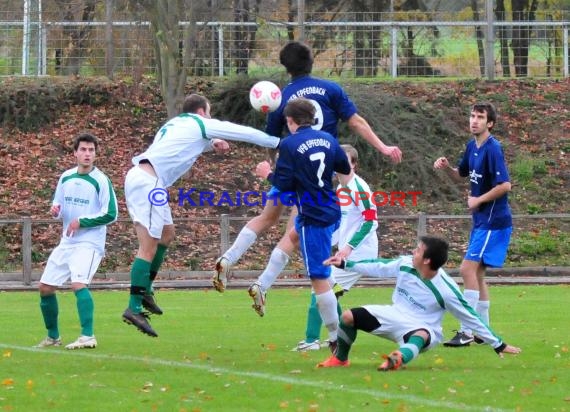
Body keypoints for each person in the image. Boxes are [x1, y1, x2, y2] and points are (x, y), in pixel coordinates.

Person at [213, 40, 401, 293]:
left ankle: (229, 258)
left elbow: (271, 141)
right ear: (311, 62)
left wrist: (273, 168)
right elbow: (356, 122)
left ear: (285, 66)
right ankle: (264, 285)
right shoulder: (331, 89)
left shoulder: (282, 97)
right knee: (294, 233)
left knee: (267, 217)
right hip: (316, 175)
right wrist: (384, 147)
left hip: (288, 164)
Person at [122, 93, 281, 337]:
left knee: (167, 234)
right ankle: (133, 307)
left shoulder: (173, 124)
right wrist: (277, 142)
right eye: (209, 113)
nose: (210, 118)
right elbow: (240, 131)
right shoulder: (200, 123)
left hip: (149, 181)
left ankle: (146, 289)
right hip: (147, 182)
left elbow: (179, 147)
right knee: (148, 247)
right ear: (201, 112)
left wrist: (210, 144)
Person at [317, 235, 522, 370]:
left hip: (424, 327)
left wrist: (498, 344)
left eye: (418, 250)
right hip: (395, 314)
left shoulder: (446, 290)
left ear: (426, 260)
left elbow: (470, 316)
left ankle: (397, 359)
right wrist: (346, 263)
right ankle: (340, 359)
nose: (413, 252)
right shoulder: (406, 264)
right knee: (348, 317)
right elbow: (379, 266)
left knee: (420, 335)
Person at [248, 144, 379, 353]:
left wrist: (348, 249)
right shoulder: (340, 188)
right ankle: (337, 337)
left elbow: (371, 222)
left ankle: (312, 340)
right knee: (330, 289)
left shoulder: (359, 188)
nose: (342, 165)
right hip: (346, 251)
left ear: (355, 164)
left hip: (360, 253)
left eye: (347, 161)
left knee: (320, 287)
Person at [256, 98, 351, 350]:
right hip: (332, 209)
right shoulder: (329, 138)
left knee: (318, 277)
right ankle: (262, 284)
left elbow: (284, 184)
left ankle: (335, 338)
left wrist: (267, 174)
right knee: (297, 243)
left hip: (313, 215)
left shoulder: (289, 144)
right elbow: (342, 166)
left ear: (290, 121)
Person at [433, 102, 512, 347]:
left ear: (490, 124)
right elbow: (462, 174)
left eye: (480, 117)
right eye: (472, 116)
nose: (474, 120)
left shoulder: (492, 149)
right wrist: (447, 169)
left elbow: (505, 186)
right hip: (481, 221)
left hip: (493, 221)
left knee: (468, 270)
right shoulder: (472, 146)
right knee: (477, 275)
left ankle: (467, 331)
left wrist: (478, 199)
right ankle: (482, 331)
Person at [36, 133, 118, 350]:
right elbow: (58, 205)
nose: (87, 154)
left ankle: (88, 336)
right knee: (45, 287)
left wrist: (81, 221)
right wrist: (55, 211)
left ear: (96, 154)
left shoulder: (101, 180)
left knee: (78, 284)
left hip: (89, 243)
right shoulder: (66, 177)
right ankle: (53, 337)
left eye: (91, 150)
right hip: (67, 242)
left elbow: (111, 214)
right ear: (75, 153)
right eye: (83, 149)